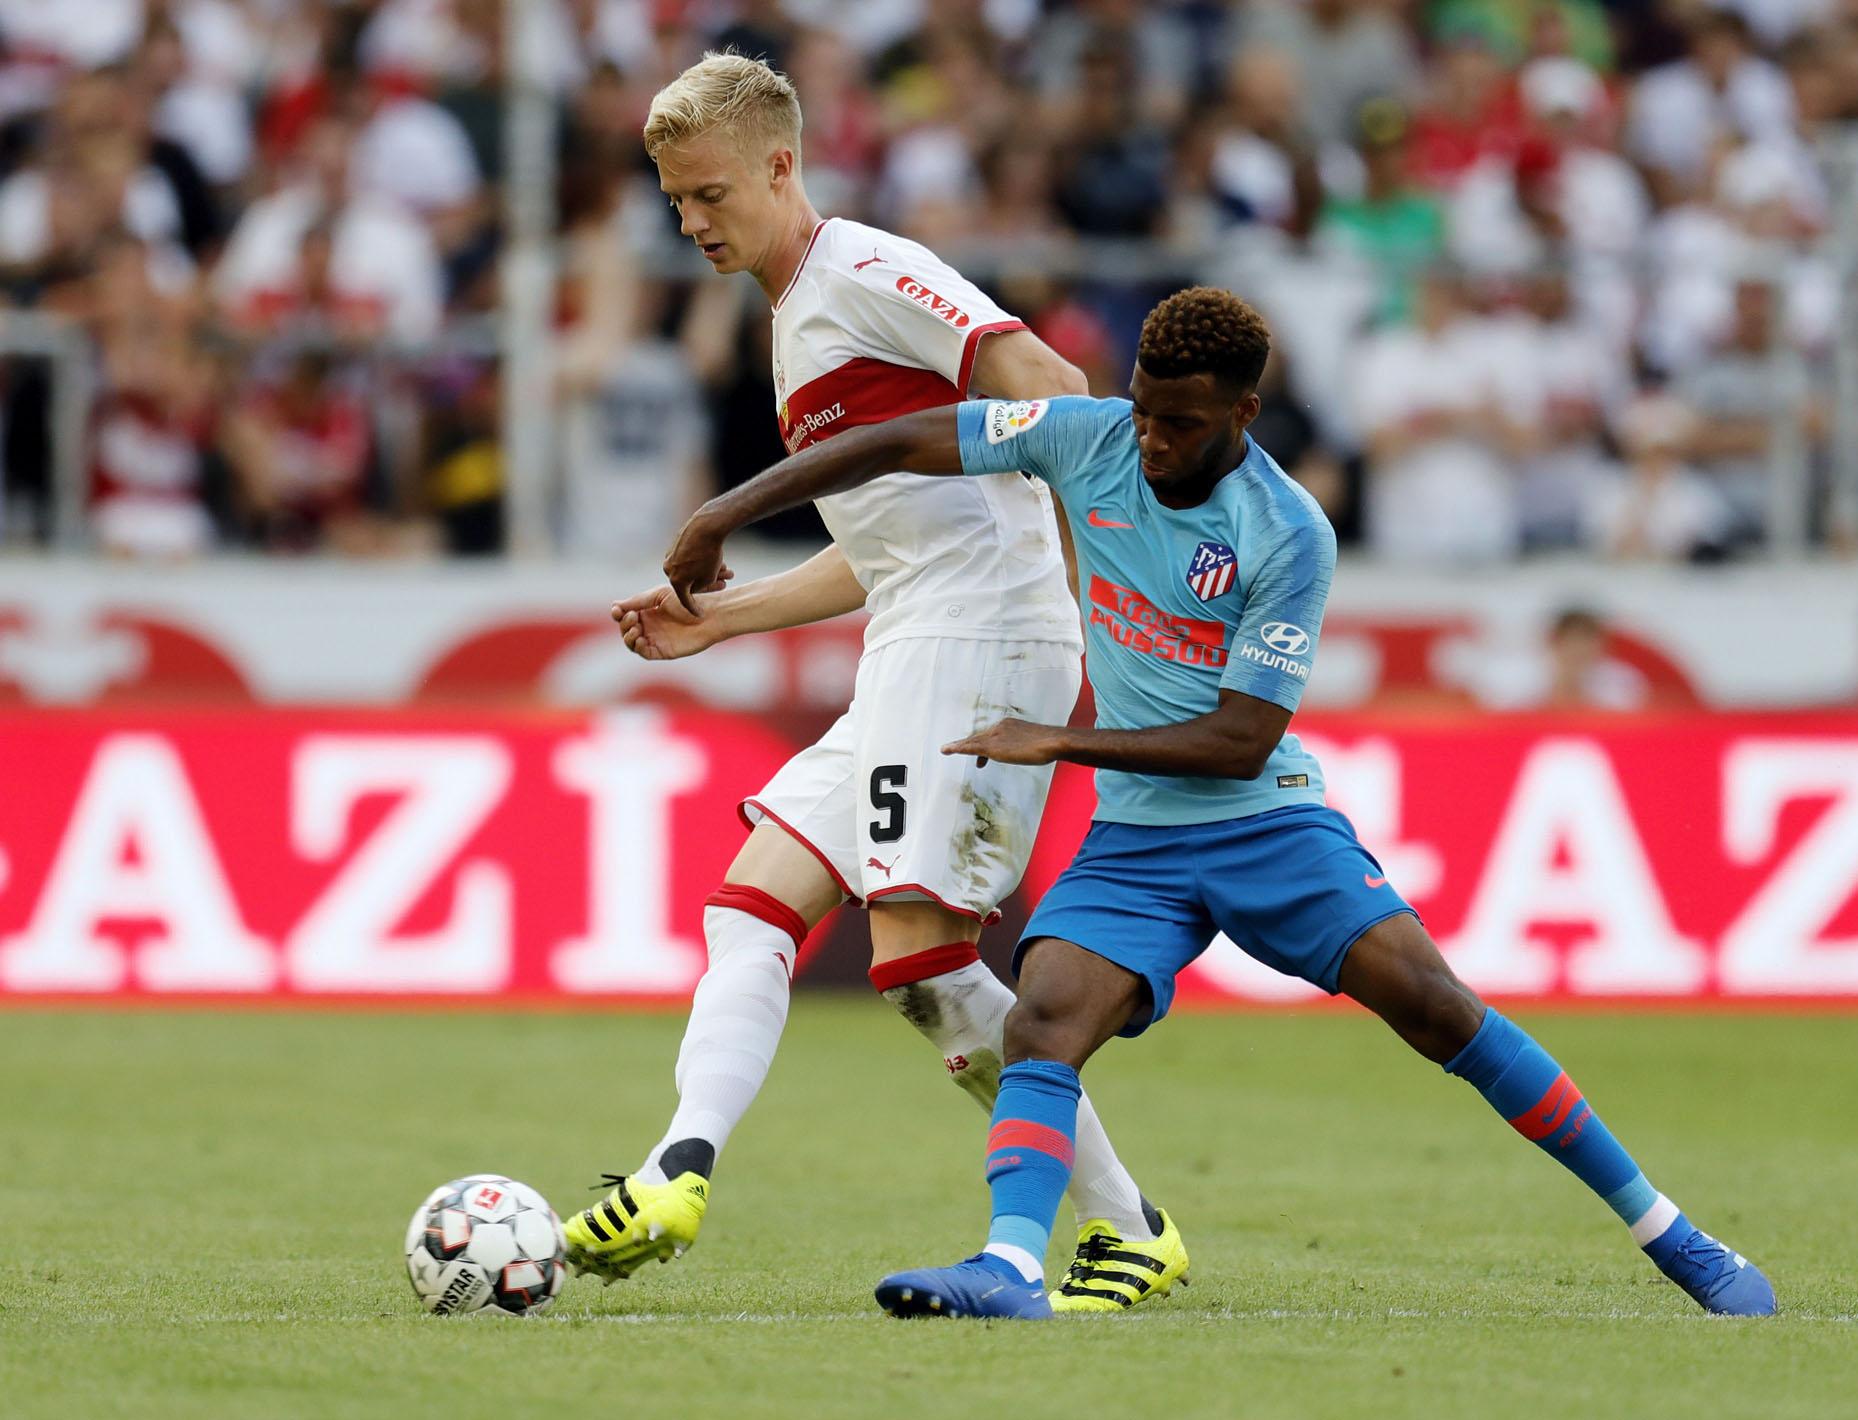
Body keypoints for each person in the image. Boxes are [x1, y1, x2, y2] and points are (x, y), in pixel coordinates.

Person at [660, 286, 1777, 1322]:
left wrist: (1062, 737)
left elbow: (1243, 739)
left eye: (1181, 424)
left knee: (1438, 1010)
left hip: (1265, 823)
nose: (1150, 440)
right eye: (1144, 411)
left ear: (1243, 411)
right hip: (1139, 839)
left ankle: (1675, 1236)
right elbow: (902, 439)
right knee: (1045, 1017)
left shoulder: (1287, 530)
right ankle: (1008, 1265)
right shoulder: (1085, 436)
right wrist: (727, 509)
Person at [562, 53, 1187, 1314]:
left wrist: (1106, 591)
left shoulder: (866, 271)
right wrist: (720, 619)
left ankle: (1129, 1226)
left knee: (924, 961)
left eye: (708, 195)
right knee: (752, 906)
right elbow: (889, 545)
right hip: (912, 637)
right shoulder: (796, 314)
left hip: (983, 642)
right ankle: (676, 1169)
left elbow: (1055, 394)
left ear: (782, 166)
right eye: (675, 201)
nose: (690, 223)